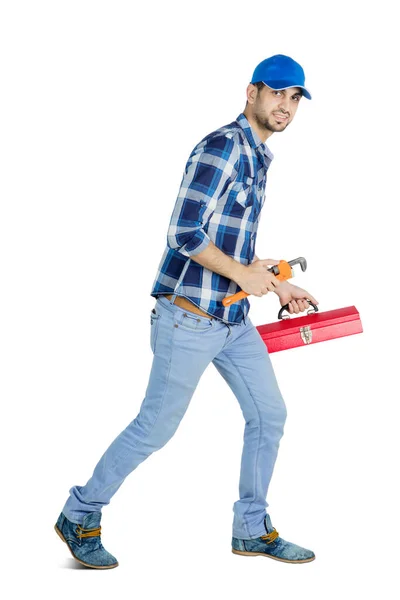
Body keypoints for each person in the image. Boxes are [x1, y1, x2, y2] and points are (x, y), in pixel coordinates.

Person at [55, 54, 319, 568]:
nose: (285, 106)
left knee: (269, 414)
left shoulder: (259, 156)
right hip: (189, 317)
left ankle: (250, 527)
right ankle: (80, 513)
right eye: (277, 93)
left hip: (232, 320)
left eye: (295, 98)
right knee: (156, 425)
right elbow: (183, 234)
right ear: (252, 92)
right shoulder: (223, 147)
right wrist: (242, 274)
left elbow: (225, 239)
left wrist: (270, 278)